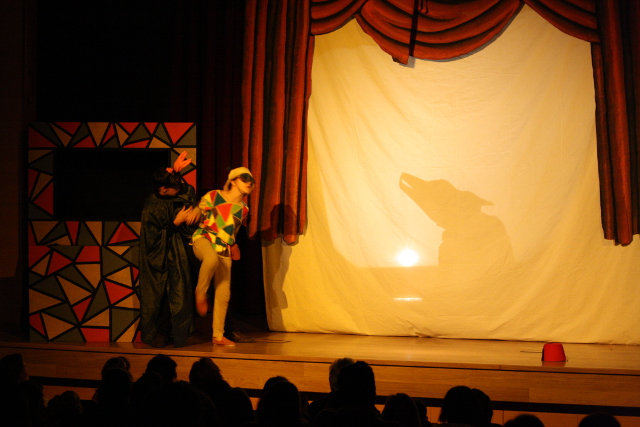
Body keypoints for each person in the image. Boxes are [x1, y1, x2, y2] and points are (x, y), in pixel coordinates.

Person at [139, 151, 201, 348]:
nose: (179, 188)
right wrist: (175, 223)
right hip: (161, 257)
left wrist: (176, 172)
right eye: (175, 187)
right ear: (163, 189)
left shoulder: (176, 191)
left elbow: (188, 192)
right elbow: (152, 239)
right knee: (164, 295)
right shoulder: (152, 206)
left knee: (181, 292)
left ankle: (172, 332)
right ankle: (160, 332)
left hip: (180, 253)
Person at [192, 167, 255, 346]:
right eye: (244, 179)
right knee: (211, 259)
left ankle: (218, 336)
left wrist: (233, 244)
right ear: (233, 181)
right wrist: (194, 212)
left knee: (224, 292)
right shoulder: (214, 196)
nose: (249, 183)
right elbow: (198, 213)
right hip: (204, 238)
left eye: (251, 181)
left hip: (224, 247)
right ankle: (200, 293)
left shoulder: (244, 209)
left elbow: (232, 229)